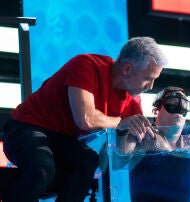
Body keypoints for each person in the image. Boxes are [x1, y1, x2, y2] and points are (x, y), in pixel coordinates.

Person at [1, 36, 167, 202]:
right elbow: (86, 119)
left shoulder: (133, 100)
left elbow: (119, 158)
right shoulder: (86, 65)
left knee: (87, 162)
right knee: (42, 170)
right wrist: (122, 122)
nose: (151, 86)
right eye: (148, 78)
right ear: (126, 69)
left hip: (60, 139)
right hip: (25, 128)